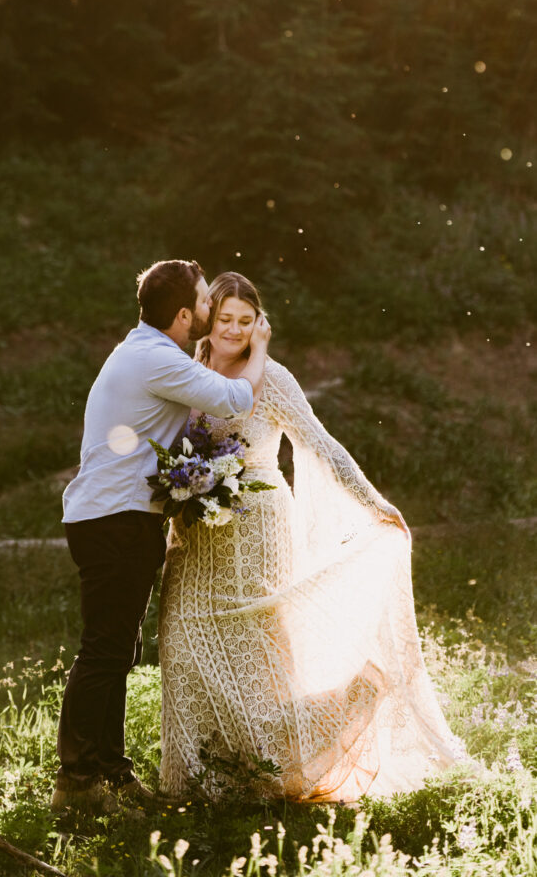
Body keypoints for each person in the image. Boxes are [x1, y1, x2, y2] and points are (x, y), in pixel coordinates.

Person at [159, 272, 463, 803]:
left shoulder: (273, 380)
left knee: (256, 668)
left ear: (260, 325)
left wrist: (375, 503)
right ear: (209, 320)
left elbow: (322, 446)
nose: (232, 330)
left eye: (244, 321)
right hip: (193, 533)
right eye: (224, 318)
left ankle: (318, 728)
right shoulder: (189, 370)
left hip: (254, 528)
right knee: (186, 647)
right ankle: (200, 783)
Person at [52, 260, 271, 812]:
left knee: (116, 651)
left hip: (116, 519)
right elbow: (235, 399)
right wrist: (260, 348)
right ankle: (76, 784)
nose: (208, 310)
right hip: (114, 522)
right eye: (203, 304)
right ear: (182, 315)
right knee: (104, 651)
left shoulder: (147, 351)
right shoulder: (156, 360)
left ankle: (111, 773)